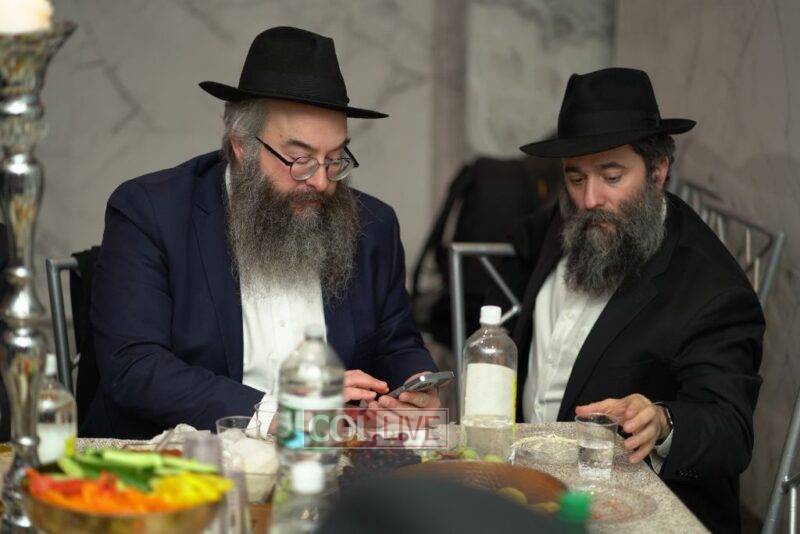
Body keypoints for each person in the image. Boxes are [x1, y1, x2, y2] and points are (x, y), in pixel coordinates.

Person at [83, 27, 438, 439]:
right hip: (182, 457)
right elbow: (136, 366)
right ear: (241, 146)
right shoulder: (151, 211)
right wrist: (281, 414)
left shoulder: (373, 224)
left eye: (335, 159)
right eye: (300, 159)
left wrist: (417, 387)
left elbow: (397, 345)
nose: (321, 181)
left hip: (326, 456)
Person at [510, 68, 763, 533]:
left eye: (612, 176)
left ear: (658, 171)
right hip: (533, 493)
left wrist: (663, 421)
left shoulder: (712, 291)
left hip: (637, 514)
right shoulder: (574, 216)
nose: (590, 198)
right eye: (575, 177)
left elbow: (730, 430)